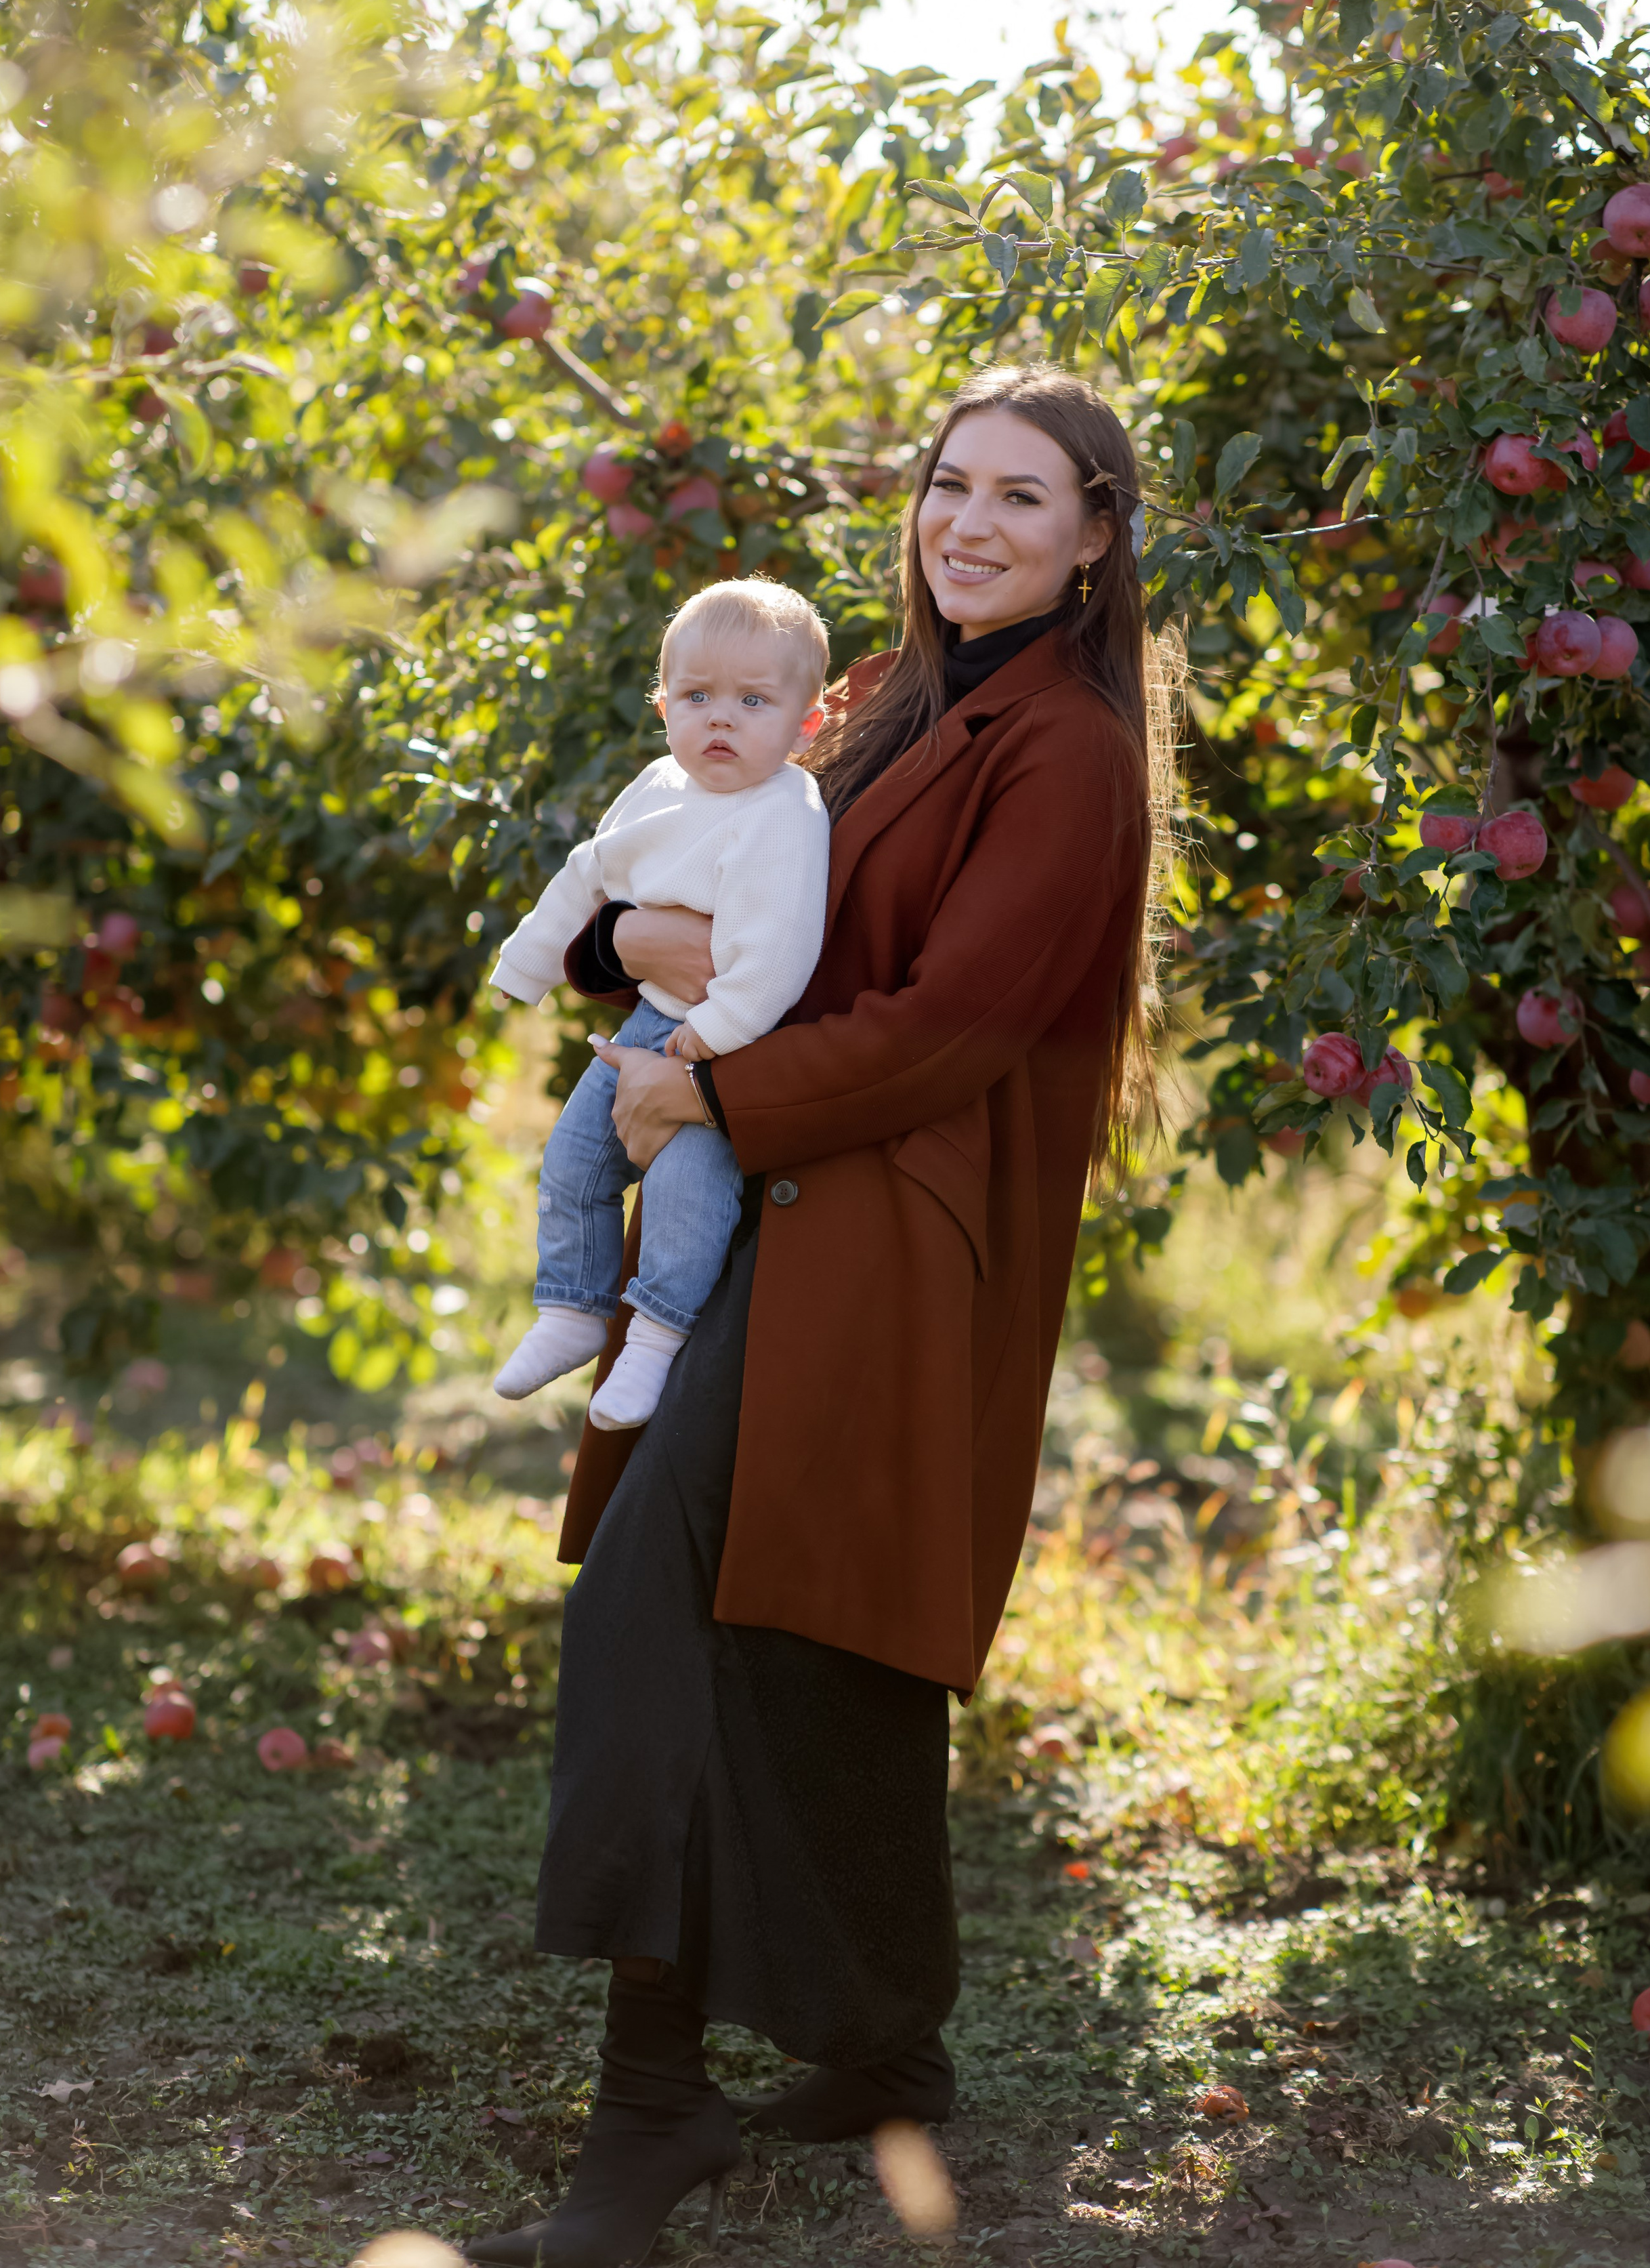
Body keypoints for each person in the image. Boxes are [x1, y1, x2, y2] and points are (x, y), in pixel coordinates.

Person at [464, 364, 1176, 2268]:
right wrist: (632, 951)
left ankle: (650, 2108)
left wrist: (710, 1085)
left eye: (1027, 498)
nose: (974, 525)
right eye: (954, 486)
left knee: (677, 1597)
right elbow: (689, 869)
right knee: (789, 1627)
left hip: (881, 1223)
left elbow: (950, 1022)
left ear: (1098, 535)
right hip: (770, 1190)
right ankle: (880, 2046)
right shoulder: (872, 697)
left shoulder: (1068, 752)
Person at [486, 580, 832, 1430]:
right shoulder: (657, 786)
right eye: (698, 697)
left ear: (807, 722)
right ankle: (571, 1309)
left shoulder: (786, 812)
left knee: (686, 1187)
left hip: (736, 1039)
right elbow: (586, 876)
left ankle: (652, 1339)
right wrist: (525, 966)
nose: (721, 720)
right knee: (576, 1157)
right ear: (663, 705)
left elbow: (777, 956)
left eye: (753, 701)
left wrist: (706, 1039)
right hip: (653, 1017)